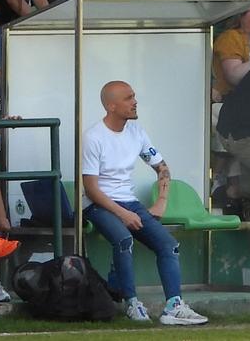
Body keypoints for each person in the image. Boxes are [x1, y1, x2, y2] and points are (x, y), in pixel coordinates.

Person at [81, 81, 208, 325]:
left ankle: (174, 306)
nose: (135, 101)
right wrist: (122, 214)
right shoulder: (93, 137)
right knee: (124, 239)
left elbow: (161, 167)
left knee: (168, 245)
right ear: (111, 105)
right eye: (128, 98)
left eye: (134, 96)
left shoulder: (137, 132)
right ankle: (131, 303)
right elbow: (91, 189)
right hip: (99, 204)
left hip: (129, 202)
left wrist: (161, 201)